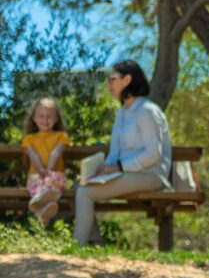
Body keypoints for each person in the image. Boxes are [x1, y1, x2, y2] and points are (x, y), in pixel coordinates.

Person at [72, 59, 171, 246]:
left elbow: (154, 154)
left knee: (85, 193)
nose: (108, 84)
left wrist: (118, 167)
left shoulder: (147, 111)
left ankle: (77, 246)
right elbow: (115, 152)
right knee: (79, 188)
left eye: (112, 79)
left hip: (150, 175)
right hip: (125, 173)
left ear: (127, 80)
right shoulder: (122, 113)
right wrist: (103, 169)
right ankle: (95, 243)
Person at [20, 97, 71, 226]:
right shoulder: (29, 139)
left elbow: (56, 153)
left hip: (55, 175)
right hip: (36, 175)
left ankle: (39, 209)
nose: (45, 120)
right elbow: (33, 155)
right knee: (38, 181)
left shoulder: (61, 136)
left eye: (49, 117)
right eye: (41, 116)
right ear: (34, 118)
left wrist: (48, 170)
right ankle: (43, 209)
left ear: (56, 119)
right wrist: (41, 170)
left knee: (51, 180)